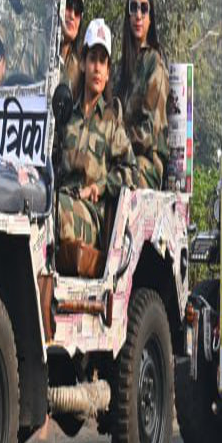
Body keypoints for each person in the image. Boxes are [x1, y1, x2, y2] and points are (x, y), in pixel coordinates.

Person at [56, 18, 136, 262]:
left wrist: (98, 187)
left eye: (103, 61)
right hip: (61, 199)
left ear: (109, 70)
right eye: (93, 59)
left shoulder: (112, 120)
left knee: (52, 212)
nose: (97, 68)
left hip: (91, 218)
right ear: (83, 63)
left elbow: (129, 170)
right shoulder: (67, 115)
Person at [116, 0, 171, 190]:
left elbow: (149, 131)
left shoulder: (154, 64)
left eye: (144, 8)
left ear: (150, 17)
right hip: (120, 158)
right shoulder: (119, 69)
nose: (138, 15)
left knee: (117, 179)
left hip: (146, 165)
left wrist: (116, 145)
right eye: (133, 7)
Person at [60, 0, 85, 98]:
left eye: (78, 10)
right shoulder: (36, 50)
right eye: (69, 6)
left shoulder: (80, 69)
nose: (72, 15)